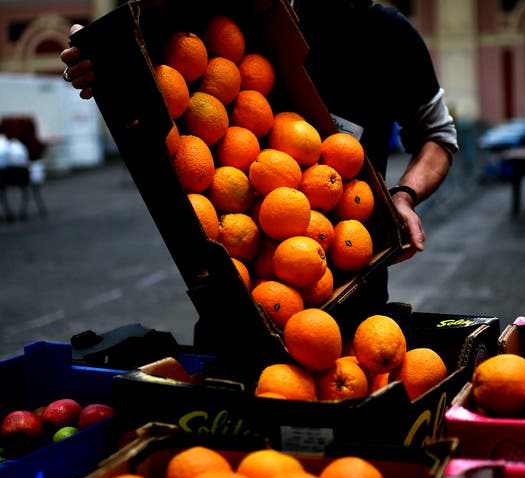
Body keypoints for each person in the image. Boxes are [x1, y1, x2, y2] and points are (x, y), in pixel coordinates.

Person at [60, 0, 458, 328]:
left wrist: (403, 197)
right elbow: (168, 71)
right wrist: (110, 64)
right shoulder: (246, 15)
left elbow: (438, 135)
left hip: (352, 267)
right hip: (237, 273)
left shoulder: (391, 35)